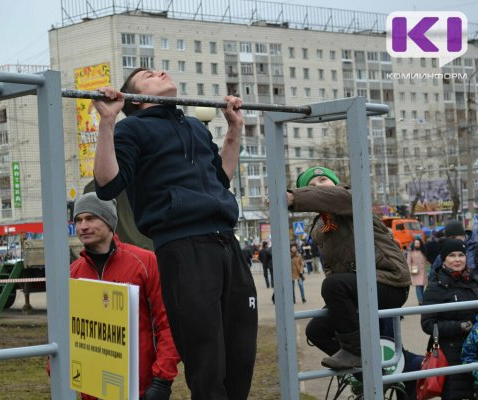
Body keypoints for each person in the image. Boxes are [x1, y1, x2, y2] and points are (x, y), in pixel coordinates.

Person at [91, 68, 258, 400]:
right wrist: (107, 122)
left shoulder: (194, 126)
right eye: (148, 74)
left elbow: (220, 179)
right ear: (136, 98)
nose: (161, 71)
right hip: (184, 248)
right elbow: (107, 185)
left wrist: (235, 129)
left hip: (227, 242)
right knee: (207, 359)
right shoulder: (131, 128)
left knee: (240, 352)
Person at [288, 166, 411, 370]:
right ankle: (364, 374)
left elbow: (333, 197)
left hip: (389, 281)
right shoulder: (320, 227)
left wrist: (292, 197)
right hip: (358, 289)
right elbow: (331, 266)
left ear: (335, 182)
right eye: (312, 185)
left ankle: (358, 353)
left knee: (332, 285)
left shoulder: (351, 198)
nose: (319, 186)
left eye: (323, 180)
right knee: (316, 331)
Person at [69, 192, 180, 400]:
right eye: (78, 220)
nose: (82, 226)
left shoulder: (145, 262)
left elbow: (169, 323)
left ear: (109, 221)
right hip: (92, 390)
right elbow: (66, 330)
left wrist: (162, 379)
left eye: (90, 218)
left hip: (139, 388)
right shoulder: (73, 272)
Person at [422, 238, 478, 400]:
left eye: (461, 255)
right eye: (452, 255)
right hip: (451, 355)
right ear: (444, 259)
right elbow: (427, 324)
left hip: (475, 351)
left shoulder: (474, 282)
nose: (457, 259)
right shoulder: (435, 287)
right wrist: (458, 326)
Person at [406, 238, 429, 305]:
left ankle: (422, 299)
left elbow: (426, 260)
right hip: (415, 270)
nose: (416, 244)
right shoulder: (411, 251)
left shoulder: (424, 251)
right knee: (418, 286)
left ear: (420, 244)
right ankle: (421, 301)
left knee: (422, 286)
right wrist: (410, 269)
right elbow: (408, 262)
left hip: (423, 271)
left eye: (418, 243)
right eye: (415, 243)